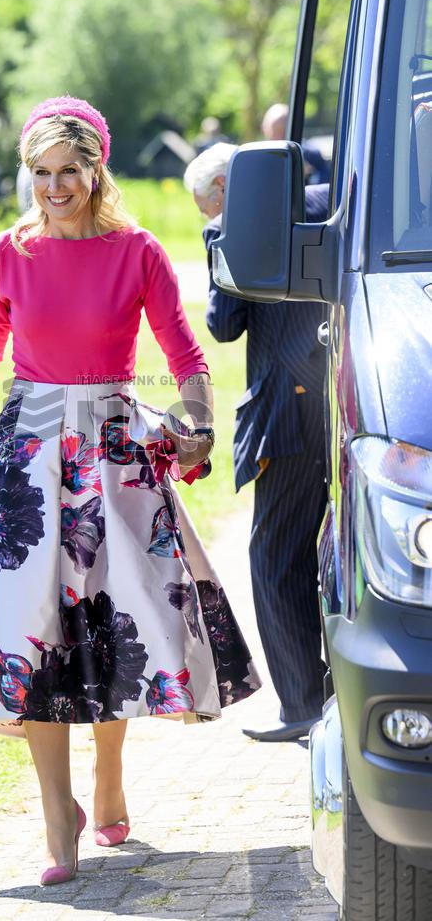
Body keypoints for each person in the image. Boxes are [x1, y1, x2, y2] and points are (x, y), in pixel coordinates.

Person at [0, 97, 261, 885]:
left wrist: (199, 421)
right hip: (27, 459)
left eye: (69, 171)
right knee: (30, 632)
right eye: (41, 173)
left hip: (113, 452)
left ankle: (108, 774)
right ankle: (55, 823)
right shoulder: (7, 253)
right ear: (27, 175)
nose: (55, 186)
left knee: (117, 625)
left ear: (94, 169)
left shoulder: (135, 250)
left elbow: (183, 349)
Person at [185, 143, 329, 742]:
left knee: (272, 561)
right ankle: (320, 692)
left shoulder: (235, 229)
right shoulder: (323, 200)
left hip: (286, 417)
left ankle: (303, 704)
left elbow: (223, 325)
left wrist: (222, 236)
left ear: (225, 190)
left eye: (205, 208)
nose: (204, 219)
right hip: (334, 402)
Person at [261, 102, 330, 185]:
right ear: (264, 130)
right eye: (275, 132)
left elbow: (325, 187)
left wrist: (307, 174)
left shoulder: (310, 155)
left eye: (283, 131)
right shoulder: (259, 157)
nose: (279, 137)